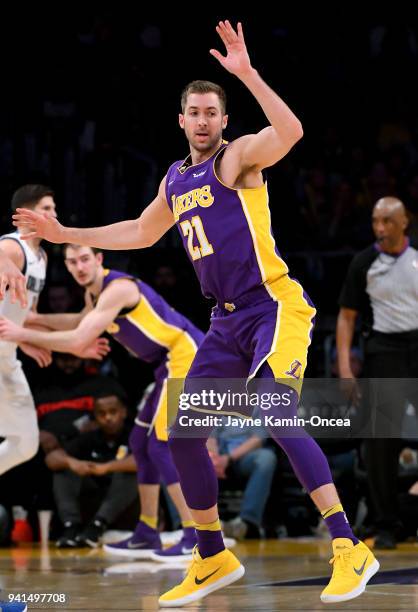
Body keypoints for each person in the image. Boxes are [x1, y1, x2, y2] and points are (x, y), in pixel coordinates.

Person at [10, 20, 379, 607]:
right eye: (194, 112)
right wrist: (61, 232)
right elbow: (136, 230)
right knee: (183, 432)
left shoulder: (236, 161)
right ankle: (211, 555)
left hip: (272, 306)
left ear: (223, 121)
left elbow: (291, 130)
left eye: (212, 111)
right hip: (225, 323)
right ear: (180, 119)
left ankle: (347, 545)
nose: (203, 120)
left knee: (275, 411)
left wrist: (247, 74)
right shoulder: (176, 179)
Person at [0, 244, 204, 560]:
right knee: (140, 443)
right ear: (67, 266)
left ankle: (194, 535)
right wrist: (37, 320)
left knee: (162, 446)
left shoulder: (118, 289)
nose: (80, 267)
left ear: (99, 259)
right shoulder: (93, 295)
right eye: (73, 262)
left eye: (85, 259)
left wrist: (20, 333)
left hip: (187, 359)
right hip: (167, 364)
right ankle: (147, 532)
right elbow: (79, 321)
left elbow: (80, 338)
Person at [0, 185, 110, 478]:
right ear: (24, 214)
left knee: (25, 444)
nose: (54, 215)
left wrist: (79, 323)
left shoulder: (42, 258)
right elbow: (2, 252)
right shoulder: (13, 246)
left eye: (54, 209)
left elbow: (29, 317)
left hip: (7, 356)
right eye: (47, 209)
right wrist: (3, 262)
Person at [337, 196, 418, 549]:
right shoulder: (363, 263)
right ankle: (386, 523)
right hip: (384, 352)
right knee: (380, 443)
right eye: (375, 221)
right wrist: (344, 366)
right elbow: (346, 317)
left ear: (405, 223)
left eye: (387, 221)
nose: (380, 228)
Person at [46, 391, 138, 548]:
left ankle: (98, 525)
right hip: (93, 494)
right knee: (63, 470)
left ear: (123, 412)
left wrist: (107, 467)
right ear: (94, 416)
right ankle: (71, 526)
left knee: (133, 473)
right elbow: (51, 458)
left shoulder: (135, 434)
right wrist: (71, 462)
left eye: (113, 412)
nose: (108, 418)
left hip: (123, 500)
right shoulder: (88, 438)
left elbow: (146, 461)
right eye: (102, 413)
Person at [207, 415, 277, 540]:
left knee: (266, 458)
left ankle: (246, 524)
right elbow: (209, 436)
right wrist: (215, 459)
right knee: (186, 458)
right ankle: (195, 525)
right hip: (218, 457)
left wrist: (228, 459)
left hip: (245, 458)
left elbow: (258, 439)